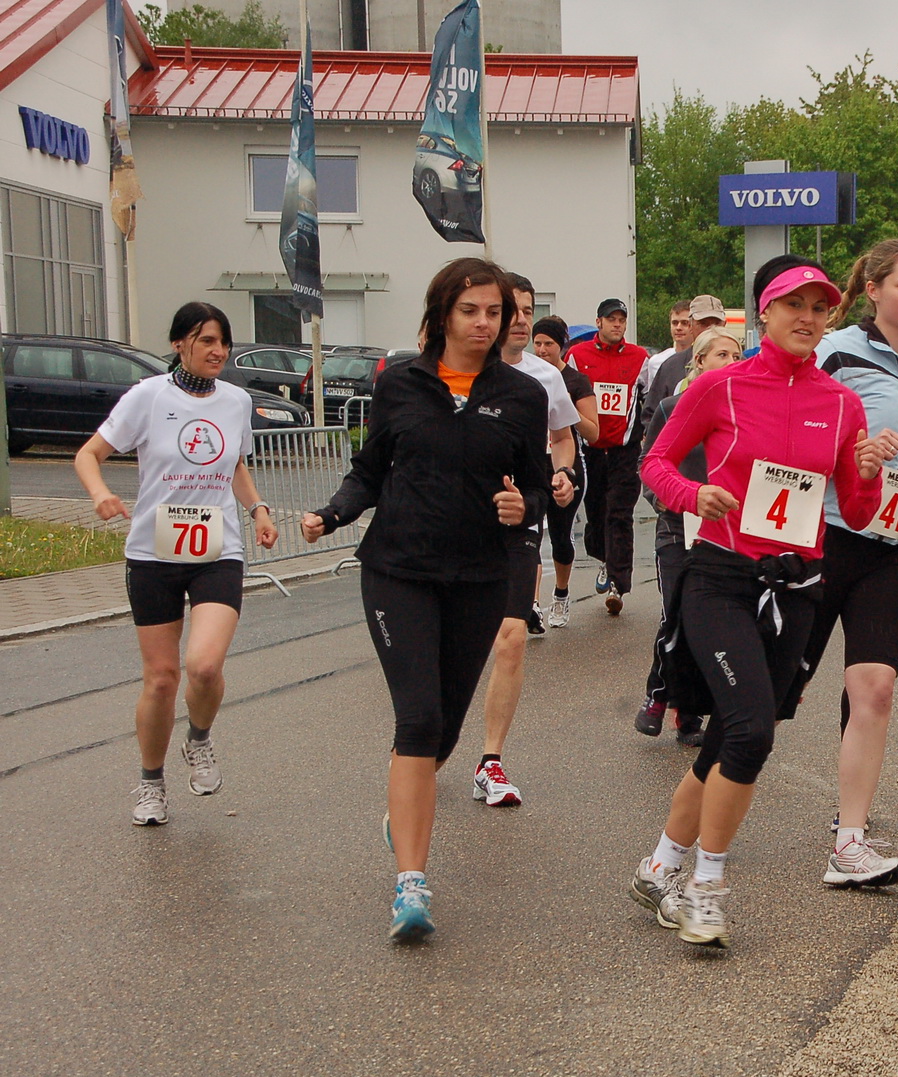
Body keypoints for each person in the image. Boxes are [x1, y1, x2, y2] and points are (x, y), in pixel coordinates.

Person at [630, 257, 887, 947]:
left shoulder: (842, 402)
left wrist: (867, 473)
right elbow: (654, 462)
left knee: (728, 735)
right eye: (793, 304)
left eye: (820, 307)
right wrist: (693, 494)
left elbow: (856, 508)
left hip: (796, 586)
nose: (808, 317)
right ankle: (706, 887)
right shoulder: (719, 386)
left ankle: (659, 863)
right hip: (719, 576)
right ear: (764, 313)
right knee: (749, 730)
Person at [303, 257, 551, 942]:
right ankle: (411, 883)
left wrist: (519, 503)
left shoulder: (522, 396)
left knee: (442, 730)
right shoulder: (400, 384)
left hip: (478, 577)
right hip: (398, 570)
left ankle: (404, 807)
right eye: (470, 310)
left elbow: (534, 483)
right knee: (416, 717)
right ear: (443, 313)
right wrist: (333, 512)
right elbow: (370, 470)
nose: (483, 323)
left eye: (494, 312)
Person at [74, 302, 279, 826]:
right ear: (178, 344)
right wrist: (99, 494)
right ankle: (151, 783)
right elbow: (88, 455)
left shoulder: (235, 402)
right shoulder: (147, 396)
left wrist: (257, 509)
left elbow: (234, 462)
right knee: (162, 679)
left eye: (223, 342)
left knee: (204, 666)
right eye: (205, 340)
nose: (217, 351)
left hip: (217, 550)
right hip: (153, 553)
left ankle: (200, 739)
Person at [805, 238, 898, 887]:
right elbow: (802, 435)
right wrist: (855, 454)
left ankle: (851, 839)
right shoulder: (834, 352)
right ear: (872, 288)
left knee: (876, 689)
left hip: (890, 546)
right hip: (825, 537)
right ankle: (698, 825)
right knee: (772, 697)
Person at [468, 276, 582, 805]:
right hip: (458, 525)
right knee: (460, 642)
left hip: (520, 518)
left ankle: (491, 759)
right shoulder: (457, 372)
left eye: (526, 311)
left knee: (511, 635)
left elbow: (563, 437)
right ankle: (429, 736)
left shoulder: (545, 377)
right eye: (509, 310)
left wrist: (562, 475)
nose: (518, 320)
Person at [635, 325, 744, 745]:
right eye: (721, 355)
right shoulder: (670, 407)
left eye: (736, 356)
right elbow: (649, 464)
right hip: (678, 530)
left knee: (709, 624)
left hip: (726, 534)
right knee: (676, 615)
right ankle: (659, 697)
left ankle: (689, 714)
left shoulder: (743, 413)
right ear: (698, 362)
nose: (730, 363)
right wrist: (669, 502)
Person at [567, 297, 650, 613]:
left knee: (620, 513)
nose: (617, 325)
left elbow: (649, 400)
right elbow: (568, 396)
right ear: (598, 322)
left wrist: (643, 436)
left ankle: (618, 582)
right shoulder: (578, 356)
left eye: (622, 320)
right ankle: (603, 558)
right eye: (611, 319)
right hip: (590, 449)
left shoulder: (640, 358)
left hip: (624, 449)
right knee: (597, 514)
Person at [531, 315, 600, 627]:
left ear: (562, 347)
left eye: (550, 344)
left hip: (567, 465)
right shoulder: (527, 377)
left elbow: (593, 432)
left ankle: (560, 593)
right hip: (532, 465)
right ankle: (531, 602)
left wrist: (565, 412)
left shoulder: (575, 381)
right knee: (530, 534)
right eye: (539, 343)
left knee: (560, 535)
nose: (543, 349)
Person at [638, 294, 729, 443]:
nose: (711, 330)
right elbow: (651, 415)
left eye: (716, 323)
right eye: (704, 323)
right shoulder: (671, 366)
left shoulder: (741, 366)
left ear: (724, 325)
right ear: (691, 325)